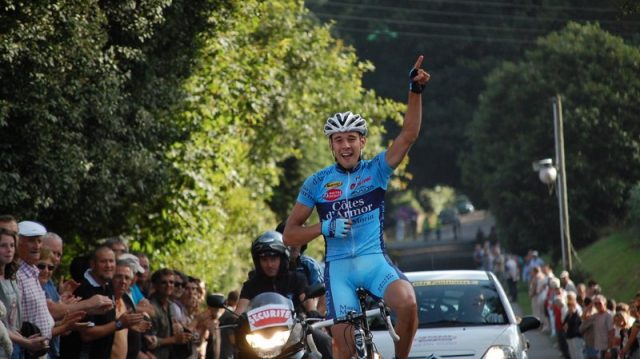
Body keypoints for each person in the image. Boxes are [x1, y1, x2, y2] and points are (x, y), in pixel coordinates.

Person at [283, 56, 430, 359]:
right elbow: (289, 235)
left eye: (351, 138)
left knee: (408, 303)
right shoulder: (317, 182)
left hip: (373, 261)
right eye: (338, 140)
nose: (345, 146)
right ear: (331, 146)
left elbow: (408, 136)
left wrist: (415, 91)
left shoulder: (376, 170)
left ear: (362, 142)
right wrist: (324, 227)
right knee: (345, 351)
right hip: (339, 270)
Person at [237, 231, 332, 359]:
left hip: (294, 333)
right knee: (239, 351)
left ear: (282, 258)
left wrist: (313, 312)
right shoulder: (251, 284)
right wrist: (235, 319)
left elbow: (307, 301)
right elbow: (239, 310)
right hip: (258, 337)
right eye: (264, 259)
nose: (269, 264)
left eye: (273, 259)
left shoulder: (296, 278)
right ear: (257, 261)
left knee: (324, 341)